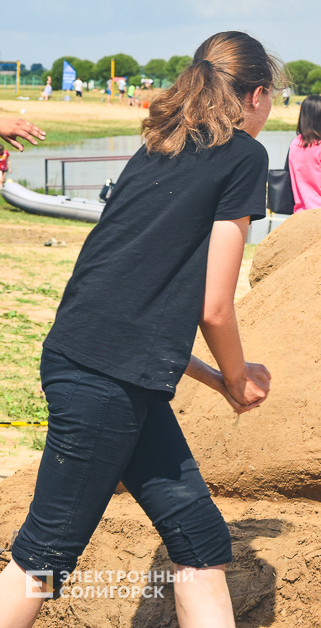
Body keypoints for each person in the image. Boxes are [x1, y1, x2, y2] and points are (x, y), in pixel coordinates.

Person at [0, 31, 277, 628]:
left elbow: (136, 307)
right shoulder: (245, 158)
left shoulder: (161, 144)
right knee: (43, 561)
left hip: (109, 371)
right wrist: (239, 377)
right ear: (257, 96)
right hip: (106, 384)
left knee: (200, 546)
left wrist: (214, 380)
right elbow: (215, 307)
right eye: (271, 97)